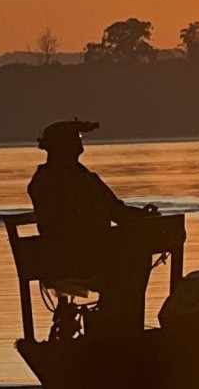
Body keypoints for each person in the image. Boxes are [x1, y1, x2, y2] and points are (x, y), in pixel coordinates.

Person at [27, 119, 157, 336]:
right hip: (85, 259)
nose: (80, 143)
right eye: (76, 138)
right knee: (136, 259)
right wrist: (145, 217)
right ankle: (120, 327)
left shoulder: (42, 179)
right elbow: (119, 213)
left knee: (126, 256)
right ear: (64, 145)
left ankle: (110, 322)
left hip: (60, 259)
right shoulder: (80, 179)